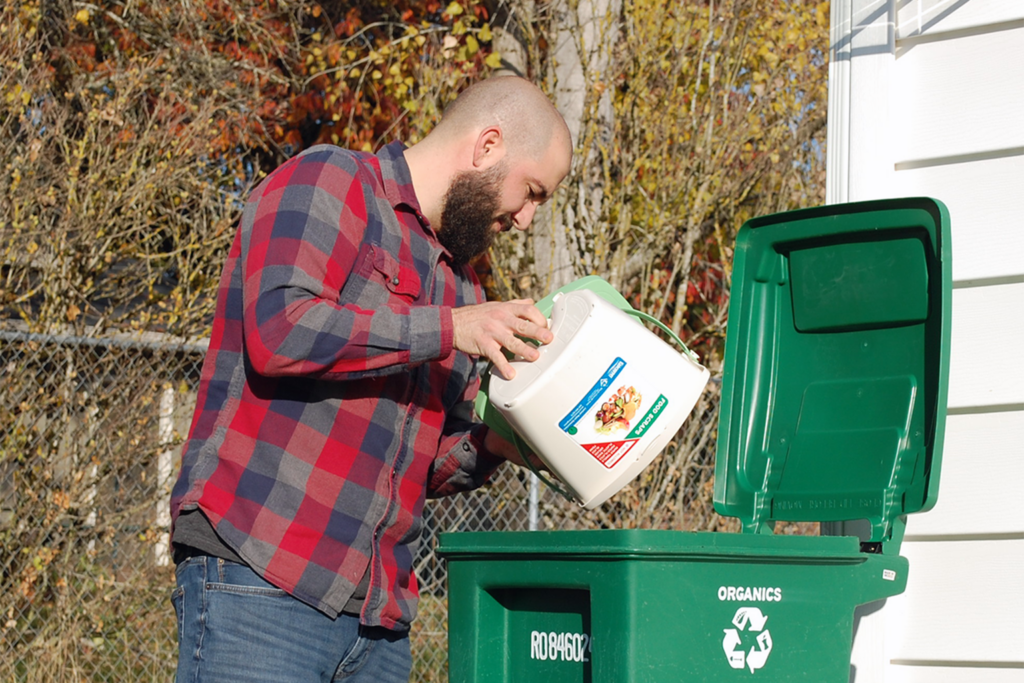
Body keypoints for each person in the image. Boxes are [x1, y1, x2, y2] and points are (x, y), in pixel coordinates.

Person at [168, 75, 573, 683]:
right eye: (531, 191)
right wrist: (446, 328)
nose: (525, 218)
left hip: (379, 625)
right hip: (262, 578)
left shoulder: (462, 287)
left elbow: (433, 462)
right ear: (488, 145)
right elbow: (281, 329)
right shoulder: (330, 181)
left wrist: (496, 445)